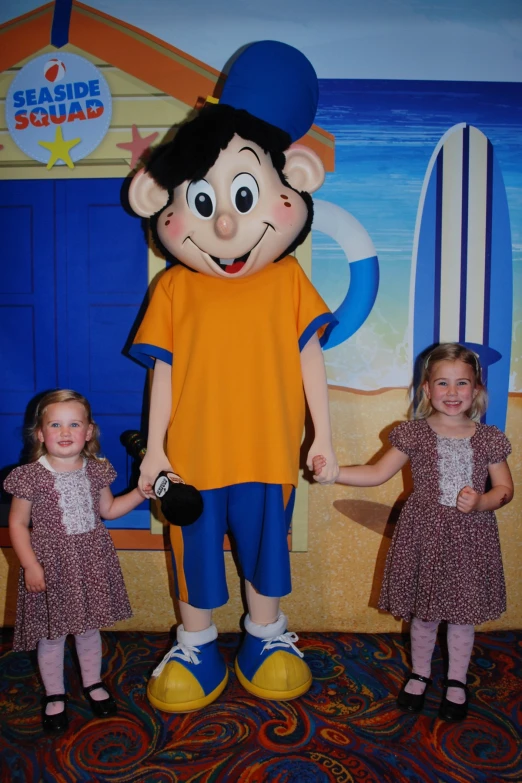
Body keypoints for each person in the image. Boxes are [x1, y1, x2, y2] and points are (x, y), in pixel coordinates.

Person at [128, 41, 338, 713]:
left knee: (265, 549)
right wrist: (156, 448)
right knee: (193, 552)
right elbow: (162, 374)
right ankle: (195, 642)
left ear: (292, 182)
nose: (223, 221)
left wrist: (322, 435)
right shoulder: (173, 292)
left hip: (267, 453)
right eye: (203, 198)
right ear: (161, 202)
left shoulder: (288, 283)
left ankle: (266, 633)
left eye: (244, 195)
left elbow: (311, 359)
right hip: (190, 458)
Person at [313, 343, 513, 721]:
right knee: (424, 613)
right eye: (442, 383)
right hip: (424, 534)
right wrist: (335, 473)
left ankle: (456, 680)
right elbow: (376, 474)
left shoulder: (489, 438)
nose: (452, 392)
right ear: (426, 389)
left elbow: (505, 489)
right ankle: (419, 673)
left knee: (462, 615)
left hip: (471, 538)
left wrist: (482, 502)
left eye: (462, 383)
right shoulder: (413, 434)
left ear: (476, 390)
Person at [4, 389, 145, 734]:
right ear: (40, 433)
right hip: (49, 564)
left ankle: (93, 683)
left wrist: (141, 492)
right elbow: (18, 524)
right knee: (52, 635)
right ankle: (55, 693)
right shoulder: (29, 476)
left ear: (89, 431)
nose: (65, 432)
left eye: (74, 424)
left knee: (87, 628)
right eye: (55, 424)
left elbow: (108, 510)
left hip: (90, 561)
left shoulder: (96, 470)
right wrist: (30, 565)